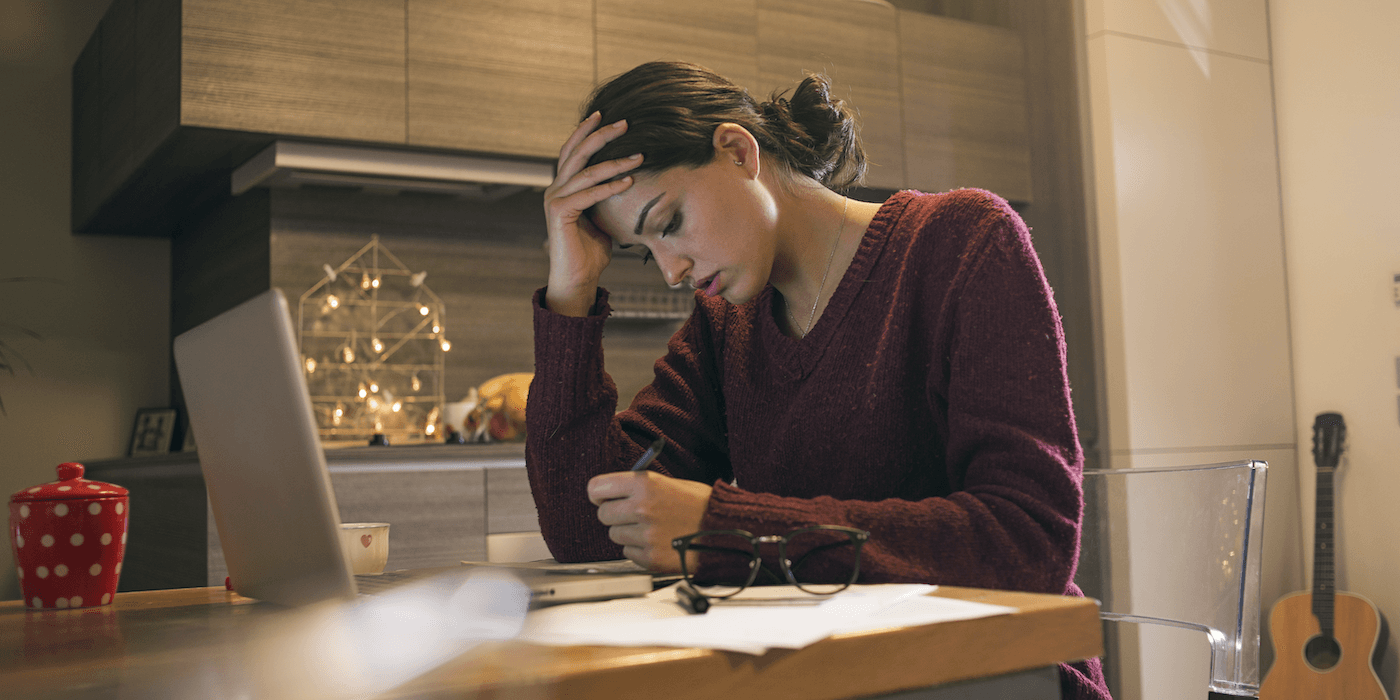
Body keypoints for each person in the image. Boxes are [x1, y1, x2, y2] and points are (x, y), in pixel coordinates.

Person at [525, 61, 1110, 700]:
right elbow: (587, 531)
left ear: (737, 151)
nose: (670, 270)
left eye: (667, 224)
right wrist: (571, 293)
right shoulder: (723, 328)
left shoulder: (962, 243)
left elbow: (1029, 545)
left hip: (996, 678)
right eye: (645, 252)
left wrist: (730, 530)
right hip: (836, 681)